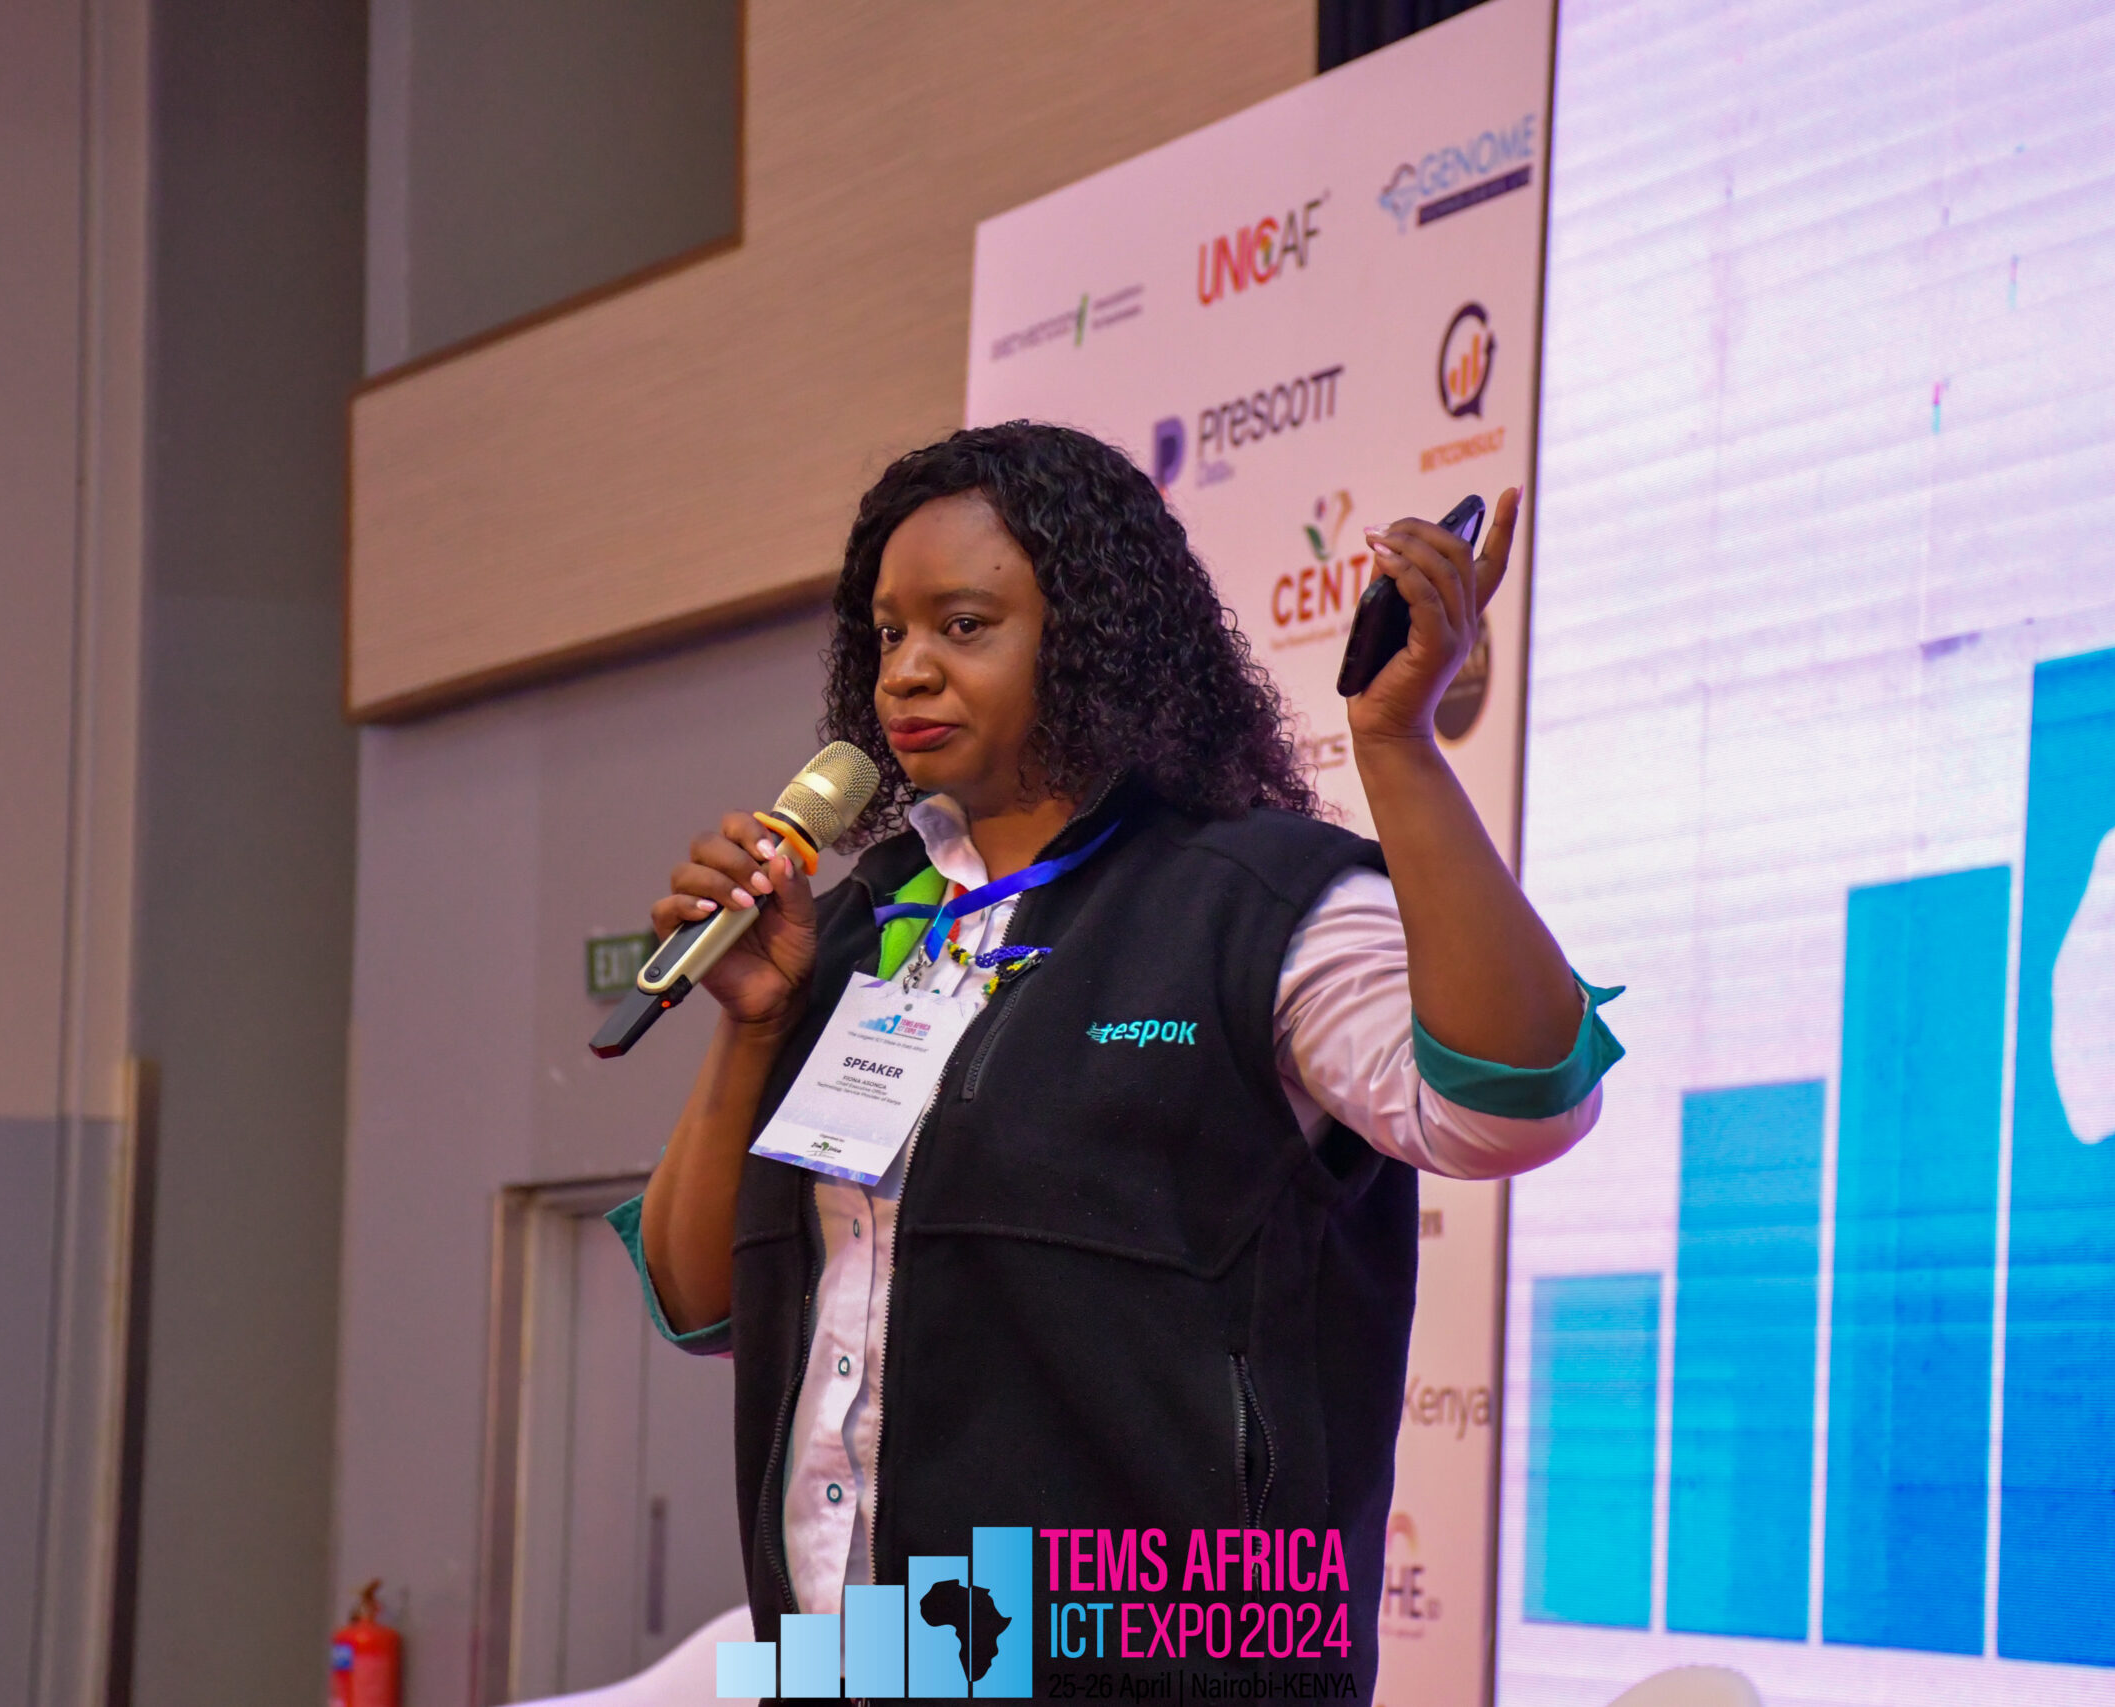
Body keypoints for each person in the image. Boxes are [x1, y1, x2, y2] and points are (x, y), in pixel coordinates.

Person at [610, 422, 1620, 1694]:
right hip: (857, 1669)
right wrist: (754, 1024)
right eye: (887, 633)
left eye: (963, 626)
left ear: (1093, 637)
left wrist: (1398, 748)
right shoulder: (859, 921)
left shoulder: (1257, 901)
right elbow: (704, 1305)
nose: (905, 671)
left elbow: (1514, 1105)